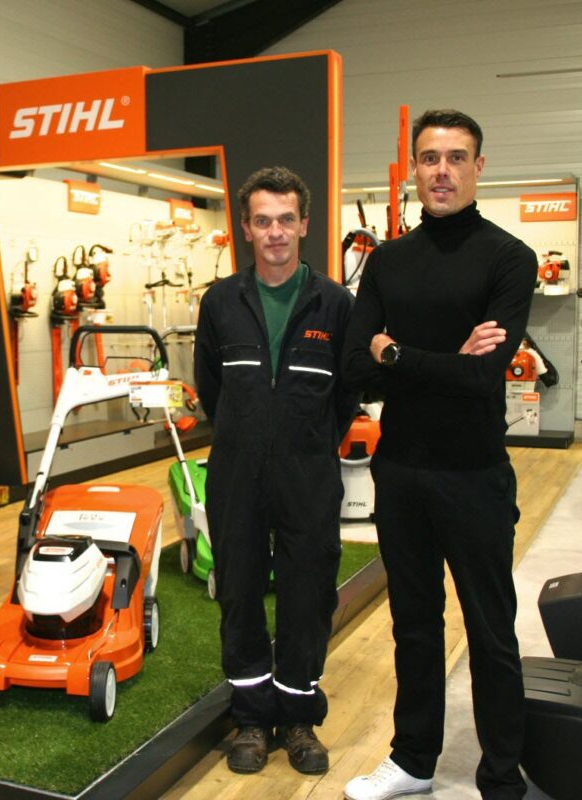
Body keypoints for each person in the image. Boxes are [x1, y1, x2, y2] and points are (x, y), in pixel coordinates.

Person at [340, 110, 537, 800]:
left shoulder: (509, 258)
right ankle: (413, 761)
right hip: (400, 473)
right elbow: (353, 371)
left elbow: (481, 378)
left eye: (456, 157)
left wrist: (394, 353)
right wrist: (440, 361)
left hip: (474, 475)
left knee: (491, 631)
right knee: (414, 628)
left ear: (479, 167)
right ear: (415, 171)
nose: (442, 171)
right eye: (430, 158)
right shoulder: (388, 261)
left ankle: (501, 776)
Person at [194, 166, 357, 776]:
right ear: (246, 228)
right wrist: (247, 435)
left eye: (286, 219)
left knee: (307, 594)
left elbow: (346, 394)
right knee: (239, 592)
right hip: (236, 472)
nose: (275, 233)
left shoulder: (335, 304)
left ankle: (297, 718)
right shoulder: (220, 302)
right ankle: (251, 718)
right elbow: (211, 389)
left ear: (304, 224)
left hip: (308, 475)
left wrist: (308, 443)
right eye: (262, 221)